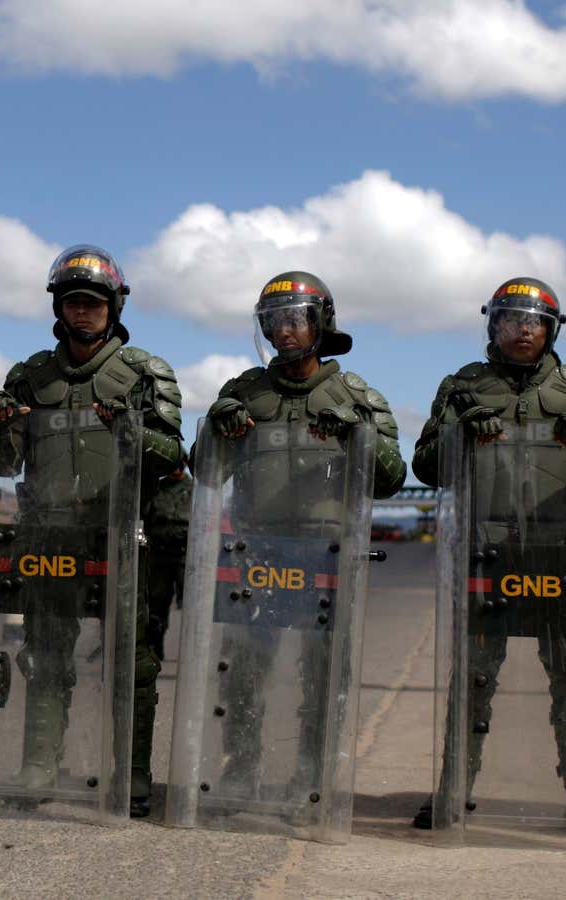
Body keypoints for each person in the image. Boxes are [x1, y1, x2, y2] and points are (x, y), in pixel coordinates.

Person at [0, 244, 183, 817]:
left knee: (131, 659)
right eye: (73, 302)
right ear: (58, 307)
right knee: (44, 656)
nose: (83, 312)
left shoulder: (146, 373)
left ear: (114, 306)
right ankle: (40, 765)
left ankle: (131, 773)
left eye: (93, 303)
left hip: (116, 534)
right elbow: (3, 461)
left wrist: (131, 429)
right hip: (46, 536)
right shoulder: (29, 376)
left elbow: (172, 455)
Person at [411, 276, 566, 829]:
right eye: (510, 320)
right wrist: (457, 428)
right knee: (473, 677)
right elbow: (426, 467)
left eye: (533, 322)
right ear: (492, 326)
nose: (522, 330)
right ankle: (453, 792)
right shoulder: (462, 386)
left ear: (551, 330)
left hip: (561, 553)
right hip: (487, 553)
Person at [204, 271, 405, 807]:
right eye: (276, 321)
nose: (286, 330)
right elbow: (204, 476)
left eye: (297, 319)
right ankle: (239, 772)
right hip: (256, 552)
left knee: (321, 675)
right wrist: (212, 428)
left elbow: (390, 478)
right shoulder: (243, 393)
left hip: (326, 556)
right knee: (242, 672)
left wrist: (356, 435)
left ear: (322, 323)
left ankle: (311, 778)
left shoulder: (358, 396)